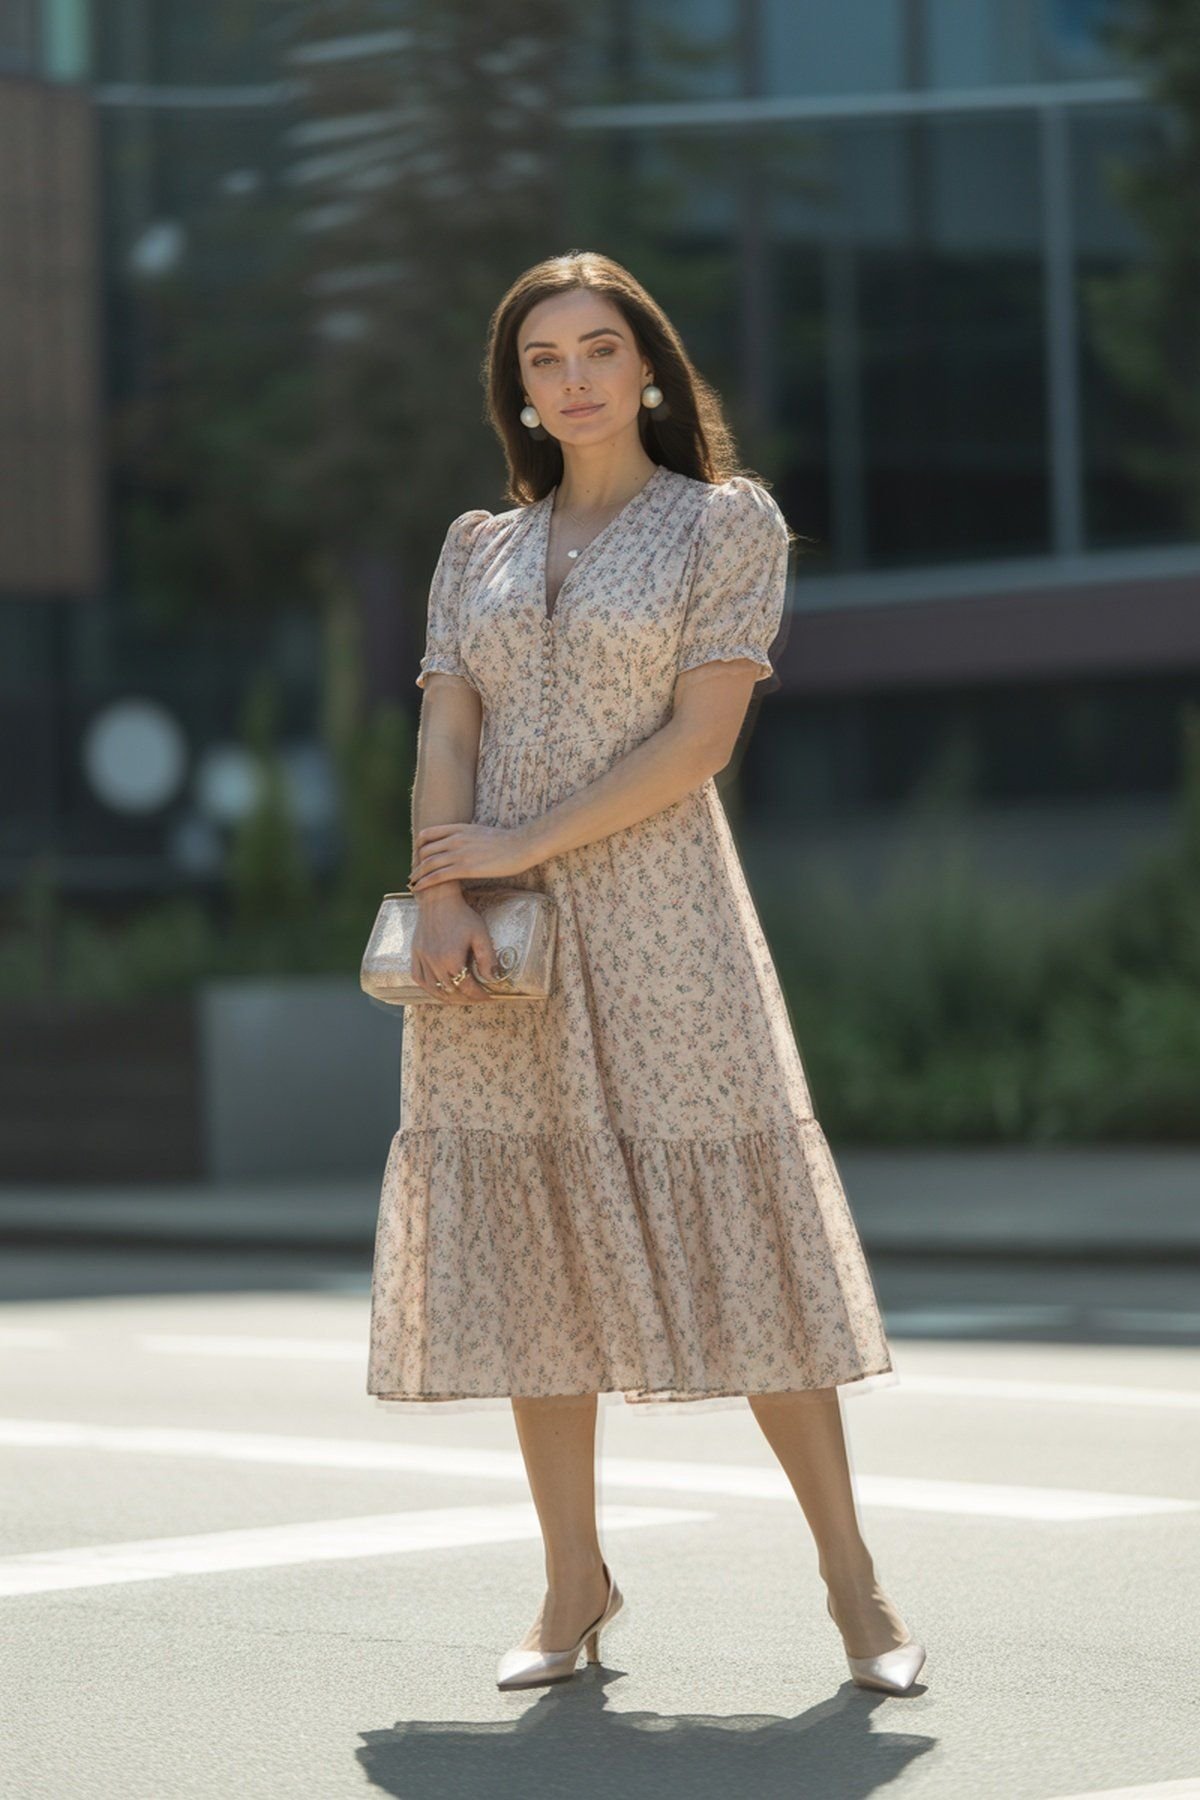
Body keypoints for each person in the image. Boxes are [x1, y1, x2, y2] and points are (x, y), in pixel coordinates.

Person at [367, 250, 926, 1698]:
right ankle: (573, 1583)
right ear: (523, 396)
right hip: (493, 935)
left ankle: (854, 1586)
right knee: (536, 1251)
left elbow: (699, 746)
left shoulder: (722, 524)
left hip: (668, 925)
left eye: (599, 348)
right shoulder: (474, 548)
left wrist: (516, 841)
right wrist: (449, 881)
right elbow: (444, 729)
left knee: (743, 1244)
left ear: (651, 368)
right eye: (545, 360)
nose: (576, 378)